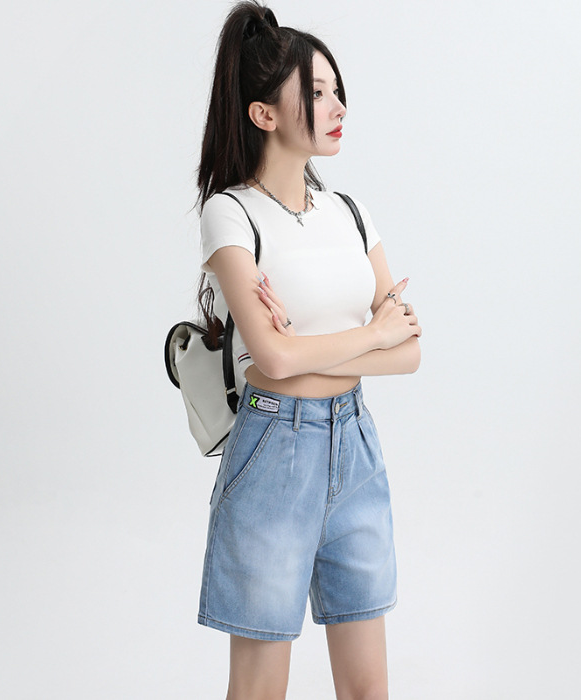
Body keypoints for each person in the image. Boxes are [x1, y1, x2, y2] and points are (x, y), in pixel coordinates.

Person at [192, 2, 421, 698]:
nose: (338, 106)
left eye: (336, 89)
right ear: (264, 113)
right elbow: (273, 360)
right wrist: (372, 334)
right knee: (260, 690)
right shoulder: (231, 213)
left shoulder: (350, 212)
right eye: (316, 92)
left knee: (368, 691)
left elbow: (409, 352)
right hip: (273, 452)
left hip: (355, 446)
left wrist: (306, 347)